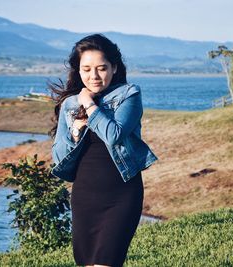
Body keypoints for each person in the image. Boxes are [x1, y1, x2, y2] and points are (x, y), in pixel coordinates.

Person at [49, 34, 158, 267]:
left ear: (114, 67)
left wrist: (89, 105)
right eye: (86, 69)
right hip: (85, 196)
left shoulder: (129, 94)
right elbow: (58, 156)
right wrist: (75, 133)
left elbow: (114, 134)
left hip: (121, 194)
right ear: (78, 71)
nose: (94, 76)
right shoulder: (70, 104)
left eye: (101, 68)